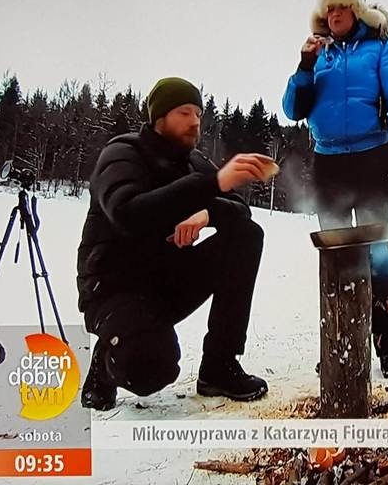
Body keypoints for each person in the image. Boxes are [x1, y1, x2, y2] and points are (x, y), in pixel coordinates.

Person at [77, 77, 276, 411]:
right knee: (153, 367)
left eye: (198, 113)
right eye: (184, 112)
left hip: (165, 283)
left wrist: (207, 212)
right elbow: (127, 213)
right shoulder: (122, 153)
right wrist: (211, 184)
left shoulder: (193, 162)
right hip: (112, 289)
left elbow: (240, 209)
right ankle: (106, 362)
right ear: (159, 118)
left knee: (246, 235)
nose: (195, 121)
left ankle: (219, 367)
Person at [282, 0, 388, 379]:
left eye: (341, 5)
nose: (334, 13)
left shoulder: (380, 49)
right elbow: (293, 108)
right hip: (329, 165)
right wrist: (304, 66)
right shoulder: (317, 53)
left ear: (355, 10)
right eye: (329, 7)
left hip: (372, 158)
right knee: (336, 256)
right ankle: (339, 346)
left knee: (376, 251)